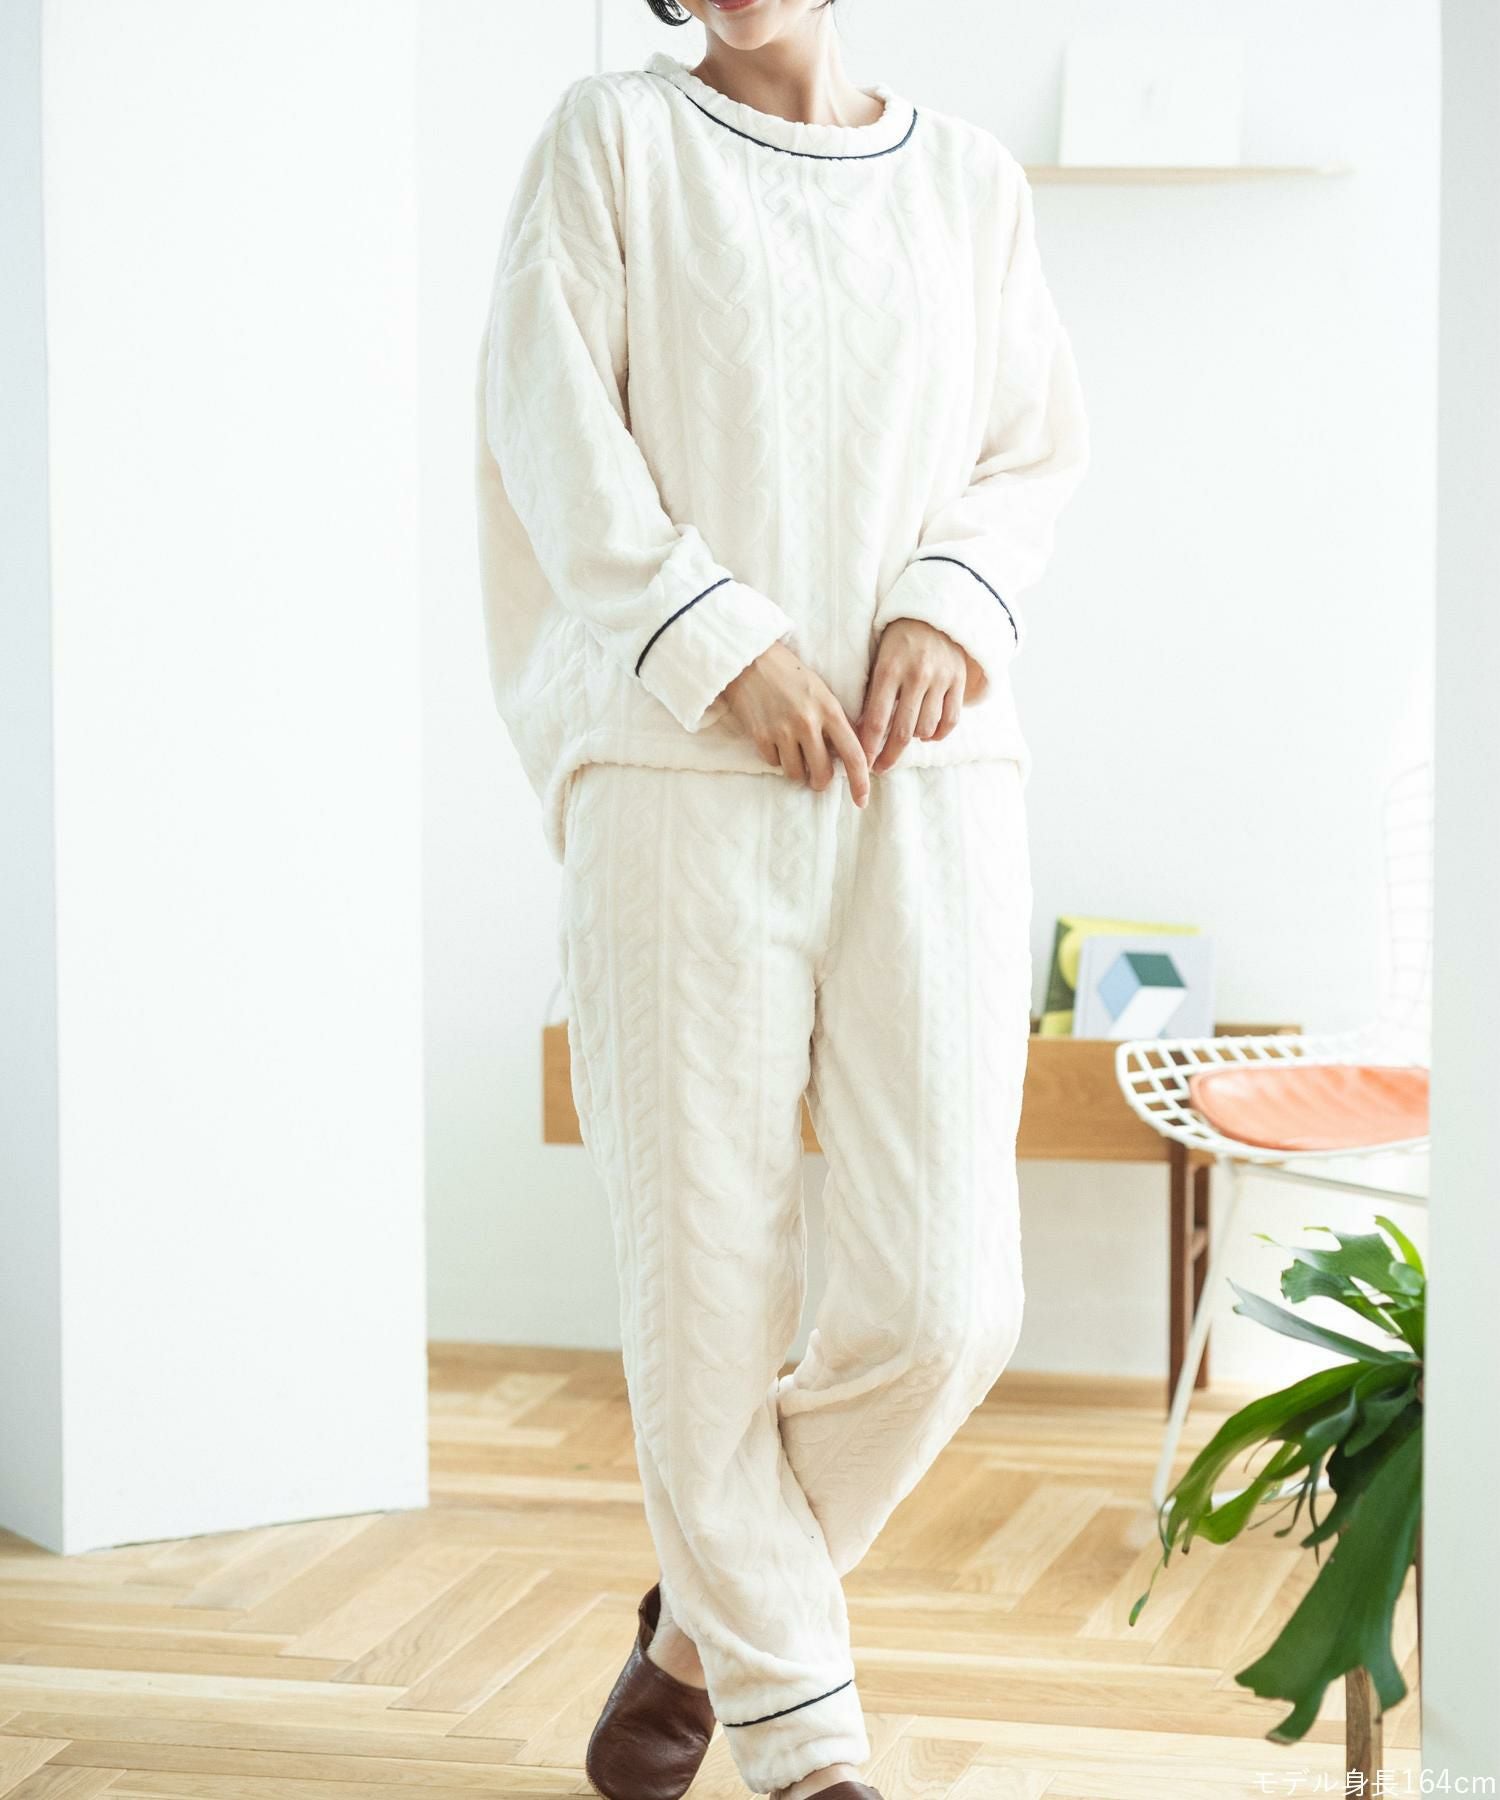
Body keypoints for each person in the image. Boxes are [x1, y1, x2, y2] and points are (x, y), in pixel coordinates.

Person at [473, 1, 1089, 1796]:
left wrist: (950, 603)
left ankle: (700, 1630)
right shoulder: (609, 142)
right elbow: (552, 431)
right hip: (677, 775)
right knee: (705, 1296)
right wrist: (720, 645)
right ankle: (807, 1746)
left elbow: (1032, 448)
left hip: (928, 777)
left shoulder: (967, 181)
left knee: (952, 1303)